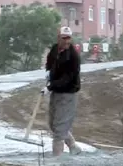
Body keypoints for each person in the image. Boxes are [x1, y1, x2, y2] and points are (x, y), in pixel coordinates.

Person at [43, 26, 82, 156]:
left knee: (59, 131)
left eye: (69, 38)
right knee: (53, 125)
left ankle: (56, 160)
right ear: (58, 37)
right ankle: (73, 147)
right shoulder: (55, 49)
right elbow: (49, 62)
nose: (66, 41)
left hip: (68, 93)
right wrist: (48, 72)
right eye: (64, 38)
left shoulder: (73, 56)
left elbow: (67, 78)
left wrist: (50, 86)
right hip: (56, 92)